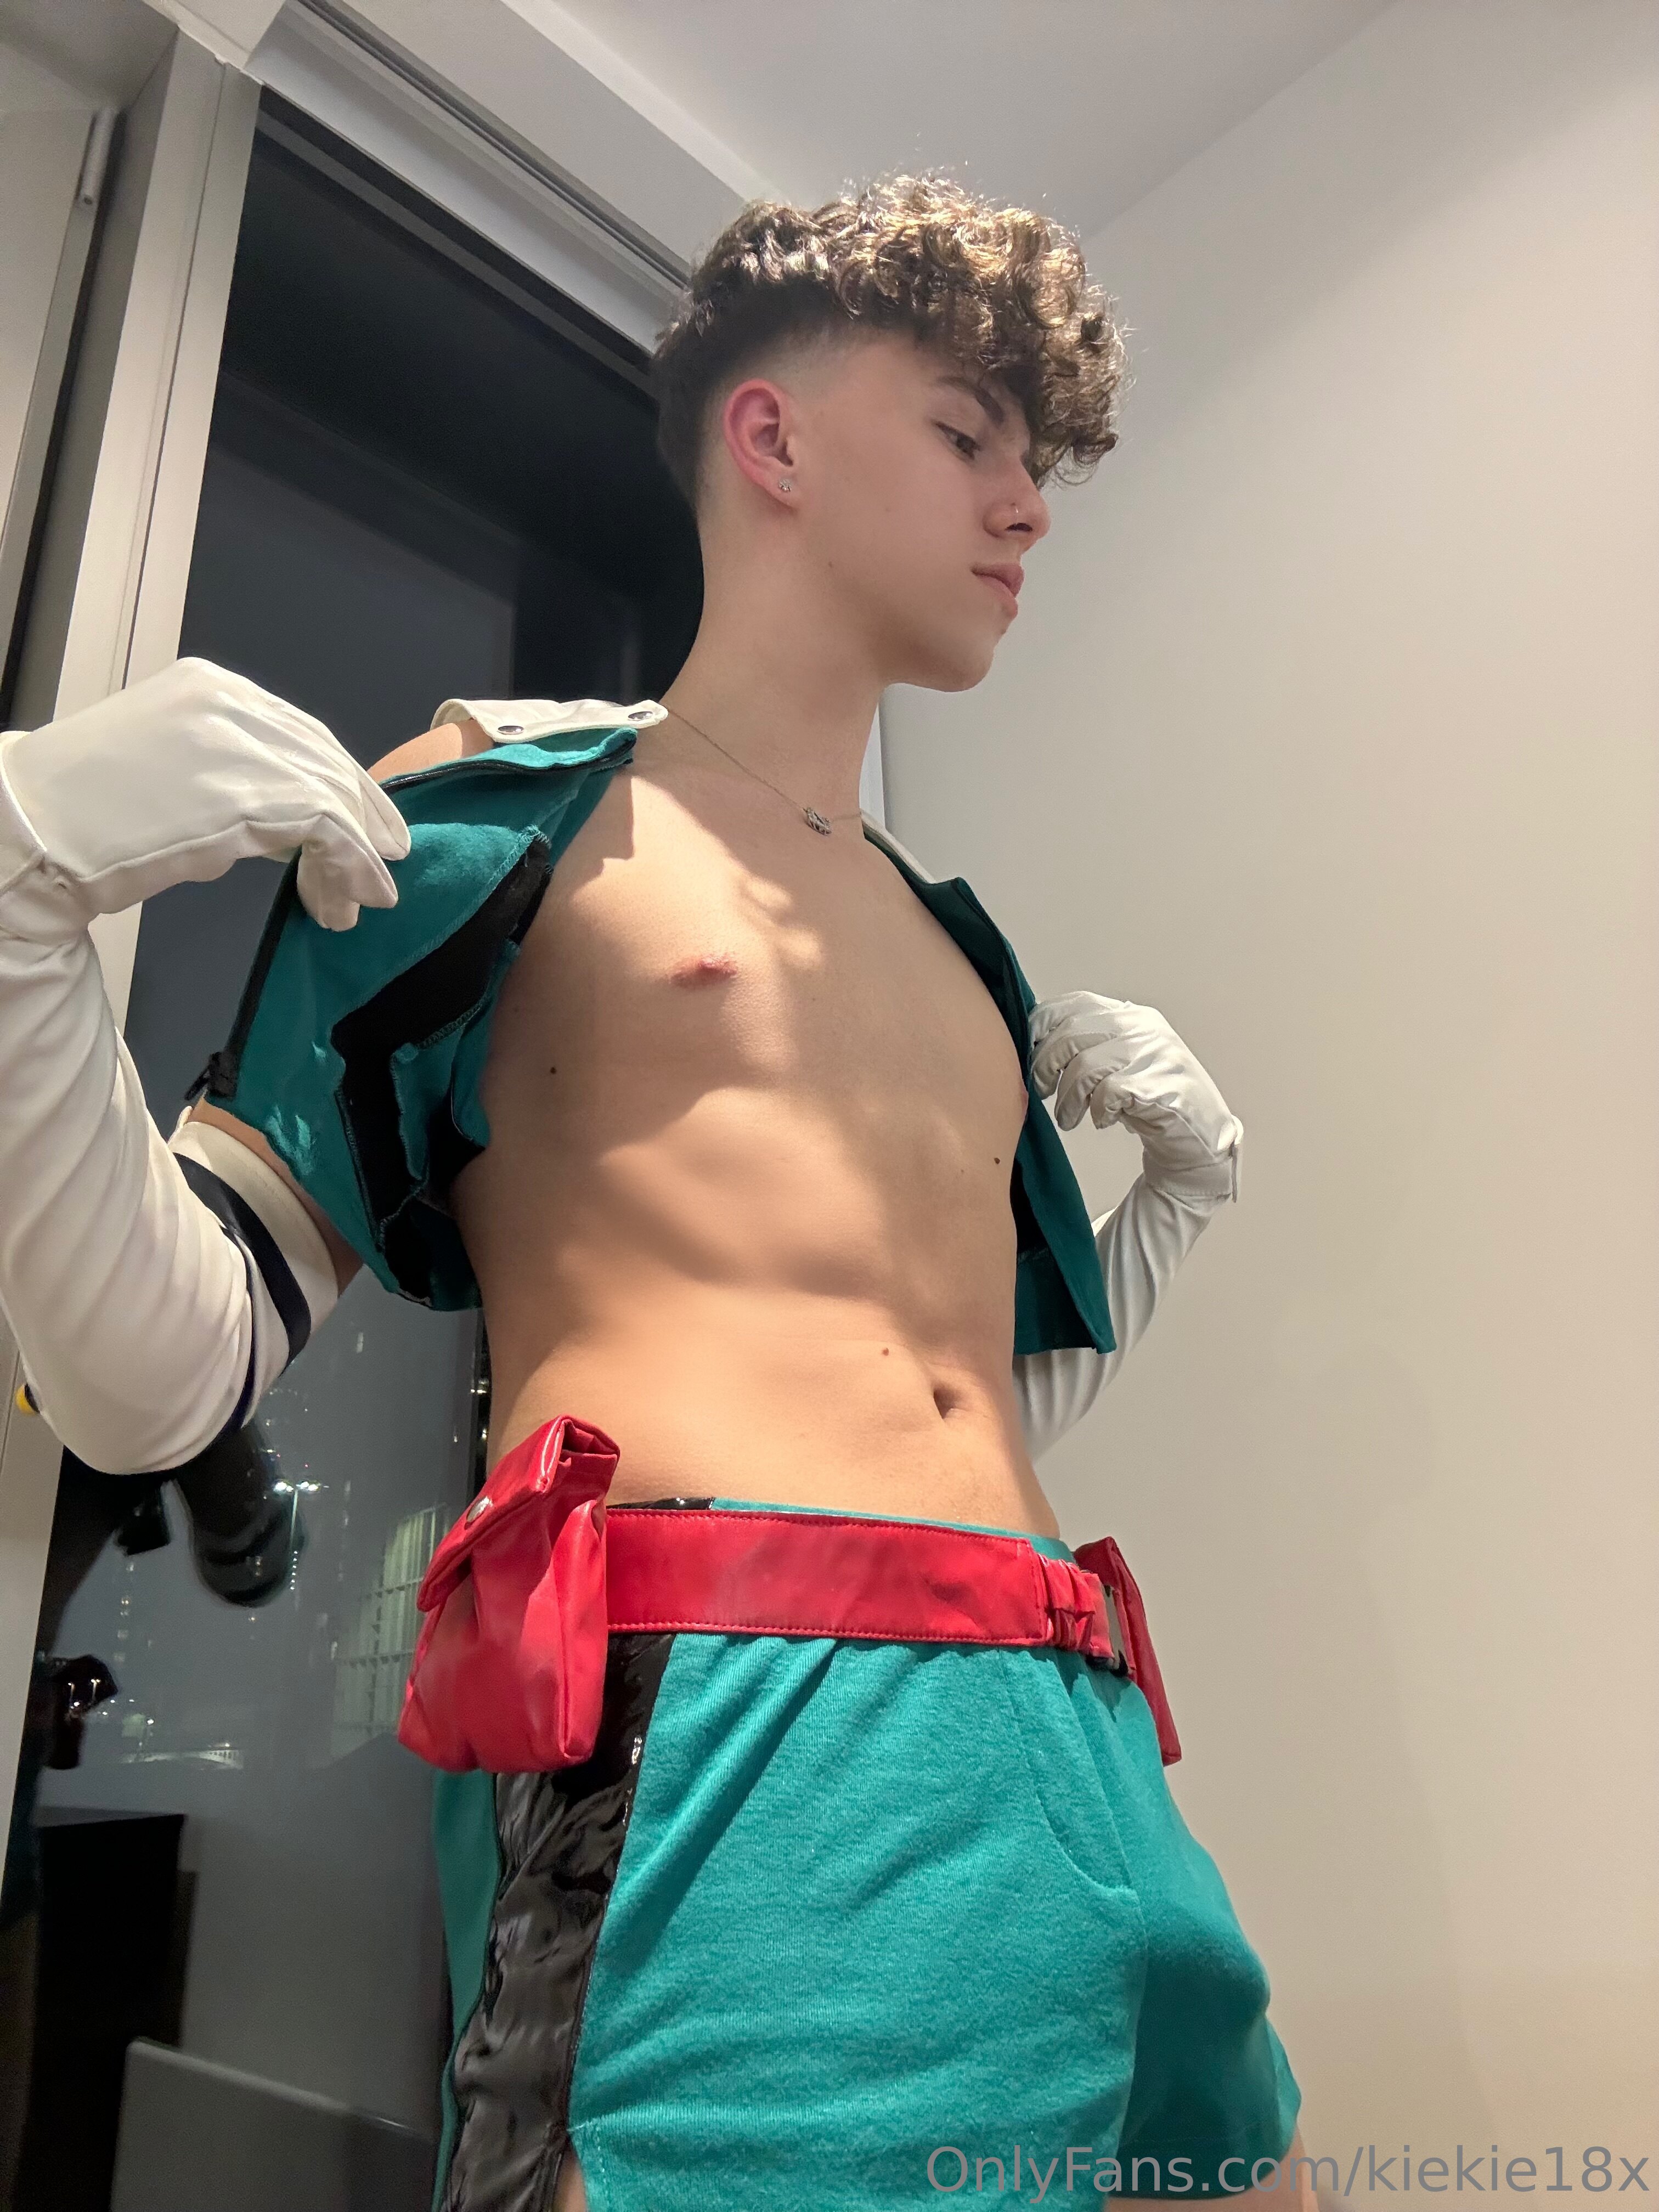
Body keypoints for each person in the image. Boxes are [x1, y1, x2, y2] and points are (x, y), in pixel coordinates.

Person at [0, 178, 1319, 2210]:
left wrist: (1171, 1214)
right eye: (969, 433)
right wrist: (20, 892)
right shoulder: (498, 818)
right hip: (752, 1740)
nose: (1027, 506)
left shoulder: (965, 954)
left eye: (1035, 461)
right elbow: (157, 1378)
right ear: (770, 438)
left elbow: (948, 1404)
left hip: (1084, 1727)